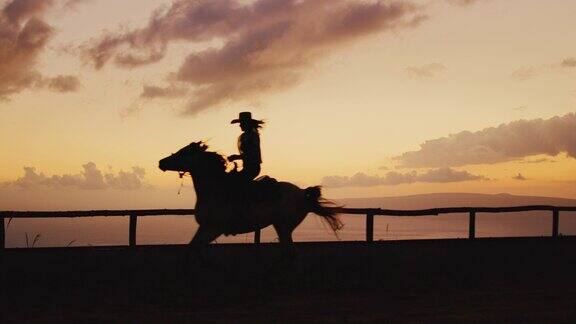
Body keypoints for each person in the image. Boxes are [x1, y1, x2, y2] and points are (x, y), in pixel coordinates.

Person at [228, 112, 264, 182]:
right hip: (247, 167)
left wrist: (236, 157)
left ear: (246, 124)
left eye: (241, 123)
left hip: (253, 168)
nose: (240, 125)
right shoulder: (245, 136)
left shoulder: (252, 136)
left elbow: (252, 153)